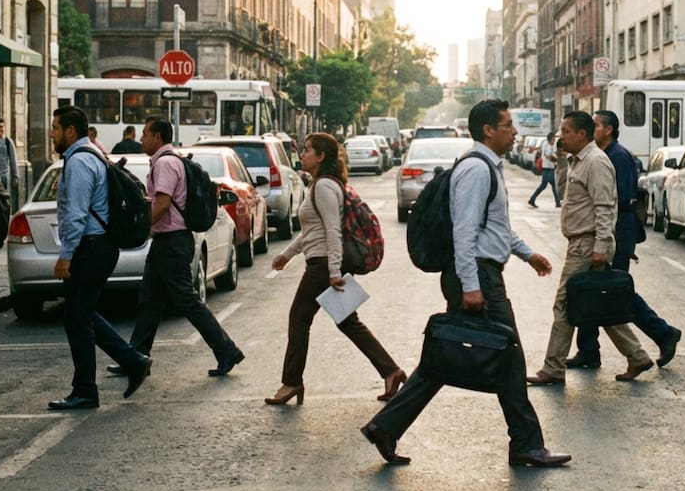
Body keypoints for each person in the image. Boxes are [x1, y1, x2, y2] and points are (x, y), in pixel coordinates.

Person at [361, 99, 570, 468]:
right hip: (477, 277)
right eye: (507, 124)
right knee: (510, 355)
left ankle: (386, 426)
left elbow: (496, 228)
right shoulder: (476, 170)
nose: (514, 130)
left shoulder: (487, 167)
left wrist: (526, 254)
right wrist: (472, 285)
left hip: (478, 273)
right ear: (488, 130)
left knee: (444, 360)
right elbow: (465, 232)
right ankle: (526, 443)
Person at [266, 133, 405, 406]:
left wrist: (332, 272)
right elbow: (312, 232)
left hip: (322, 266)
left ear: (321, 157)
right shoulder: (319, 185)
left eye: (307, 150)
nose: (302, 154)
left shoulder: (325, 187)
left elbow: (332, 231)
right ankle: (391, 371)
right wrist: (287, 255)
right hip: (323, 262)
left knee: (298, 320)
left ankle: (291, 383)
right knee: (348, 323)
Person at [527, 111, 657, 386]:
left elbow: (605, 207)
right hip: (580, 242)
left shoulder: (597, 162)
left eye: (566, 131)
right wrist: (561, 161)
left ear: (582, 134)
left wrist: (600, 245)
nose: (561, 136)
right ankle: (637, 356)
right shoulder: (578, 161)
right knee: (598, 303)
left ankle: (553, 368)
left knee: (564, 303)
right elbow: (564, 194)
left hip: (588, 243)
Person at [112, 116, 244, 379]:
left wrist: (142, 229)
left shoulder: (166, 163)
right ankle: (136, 357)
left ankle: (227, 350)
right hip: (167, 242)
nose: (141, 139)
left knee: (188, 302)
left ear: (158, 137)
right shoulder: (166, 161)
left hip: (173, 243)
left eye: (145, 134)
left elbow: (161, 204)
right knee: (149, 302)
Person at [48, 106, 151, 411]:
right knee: (83, 312)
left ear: (70, 131)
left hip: (90, 247)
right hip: (98, 247)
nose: (52, 133)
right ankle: (133, 360)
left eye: (55, 127)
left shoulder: (79, 161)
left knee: (77, 317)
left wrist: (65, 256)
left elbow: (77, 215)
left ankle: (85, 391)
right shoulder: (91, 155)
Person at [565, 111, 682, 371]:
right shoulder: (600, 155)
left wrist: (603, 241)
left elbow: (613, 202)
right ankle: (588, 350)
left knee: (614, 292)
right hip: (609, 230)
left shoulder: (617, 157)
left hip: (618, 229)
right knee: (591, 288)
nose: (591, 129)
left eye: (595, 125)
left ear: (608, 130)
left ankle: (663, 333)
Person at [527, 131, 560, 208]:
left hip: (551, 167)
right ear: (549, 140)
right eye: (552, 140)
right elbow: (545, 153)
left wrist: (555, 158)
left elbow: (555, 152)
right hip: (546, 167)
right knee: (546, 185)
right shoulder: (545, 144)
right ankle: (557, 202)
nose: (553, 141)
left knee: (549, 185)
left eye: (554, 139)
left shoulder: (554, 144)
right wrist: (552, 158)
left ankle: (532, 199)